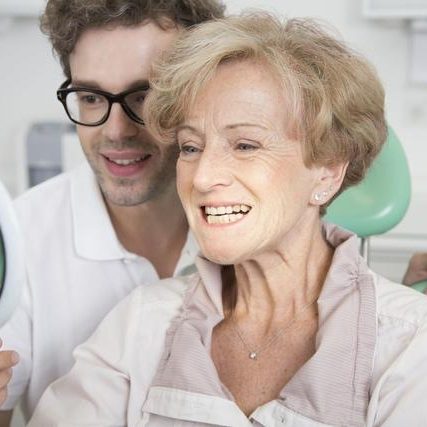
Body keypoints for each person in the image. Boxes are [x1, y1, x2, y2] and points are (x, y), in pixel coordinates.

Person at [29, 12, 427, 426]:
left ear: (327, 170)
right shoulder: (141, 325)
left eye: (245, 145)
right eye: (190, 147)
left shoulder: (407, 343)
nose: (202, 177)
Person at [0, 0, 225, 424]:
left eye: (145, 95)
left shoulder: (249, 227)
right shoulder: (22, 241)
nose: (115, 131)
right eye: (90, 97)